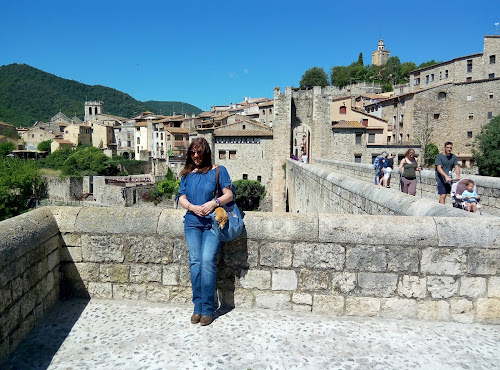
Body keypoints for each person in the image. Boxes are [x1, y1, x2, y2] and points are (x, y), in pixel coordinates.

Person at [176, 138, 234, 326]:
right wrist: (192, 207)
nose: (195, 156)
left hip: (212, 224)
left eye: (198, 152)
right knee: (195, 262)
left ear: (206, 152)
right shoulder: (187, 174)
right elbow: (181, 197)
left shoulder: (218, 171)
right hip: (192, 223)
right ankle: (197, 307)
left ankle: (208, 309)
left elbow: (229, 194)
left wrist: (214, 203)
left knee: (207, 261)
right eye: (192, 152)